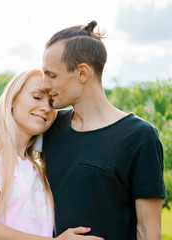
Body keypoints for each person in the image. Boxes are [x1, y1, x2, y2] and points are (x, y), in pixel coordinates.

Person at [40, 20, 166, 240]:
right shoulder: (50, 126)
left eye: (52, 75)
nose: (44, 84)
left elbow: (148, 231)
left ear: (82, 73)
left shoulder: (139, 137)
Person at [0, 69, 104, 240]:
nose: (46, 108)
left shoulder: (36, 166)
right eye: (37, 97)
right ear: (12, 98)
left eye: (52, 102)